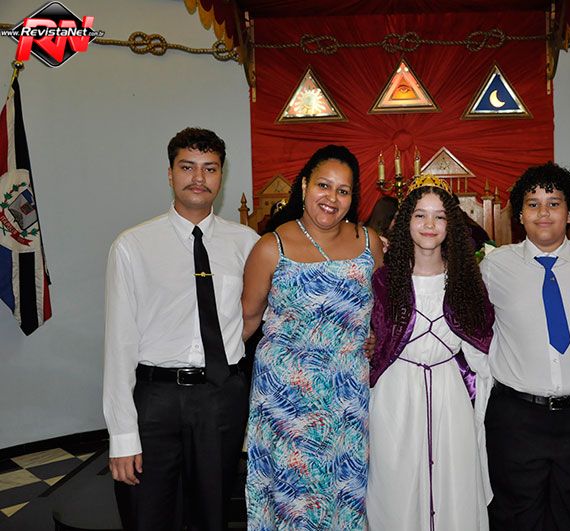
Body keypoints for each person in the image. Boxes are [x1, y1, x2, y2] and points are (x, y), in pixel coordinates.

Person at [103, 127, 259, 530]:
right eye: (187, 167)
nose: (199, 178)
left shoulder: (247, 244)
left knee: (212, 516)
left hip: (220, 399)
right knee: (147, 515)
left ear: (222, 175)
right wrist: (122, 436)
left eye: (210, 168)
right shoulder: (133, 245)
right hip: (156, 400)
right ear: (170, 173)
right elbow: (119, 345)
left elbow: (265, 313)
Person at [241, 145, 383, 530]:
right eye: (324, 185)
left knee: (344, 493)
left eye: (343, 190)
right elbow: (247, 320)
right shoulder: (271, 247)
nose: (331, 198)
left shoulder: (369, 243)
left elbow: (383, 309)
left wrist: (374, 334)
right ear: (305, 185)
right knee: (293, 501)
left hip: (347, 395)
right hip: (286, 399)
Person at [480, 162, 570, 530]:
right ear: (520, 215)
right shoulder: (493, 267)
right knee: (514, 519)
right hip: (516, 417)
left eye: (554, 203)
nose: (543, 213)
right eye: (533, 204)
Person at [367, 175, 495, 531]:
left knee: (454, 481)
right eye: (420, 215)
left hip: (449, 393)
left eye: (439, 216)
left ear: (451, 224)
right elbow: (370, 336)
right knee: (395, 485)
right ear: (405, 221)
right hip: (395, 393)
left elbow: (482, 340)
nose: (429, 224)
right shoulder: (383, 281)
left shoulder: (466, 281)